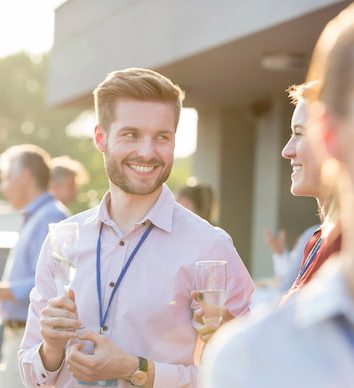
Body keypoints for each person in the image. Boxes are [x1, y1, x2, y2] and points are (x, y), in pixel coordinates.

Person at [18, 67, 254, 387]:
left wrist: (135, 369)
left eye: (162, 137)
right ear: (101, 138)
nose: (147, 152)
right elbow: (32, 376)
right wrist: (52, 349)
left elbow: (242, 374)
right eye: (131, 134)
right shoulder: (62, 240)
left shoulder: (210, 247)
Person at [200, 5, 354, 388]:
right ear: (330, 134)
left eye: (298, 134)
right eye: (296, 133)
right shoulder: (251, 359)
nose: (286, 150)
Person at [0, 144, 69, 388]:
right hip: (25, 335)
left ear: (26, 177)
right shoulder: (41, 215)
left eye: (6, 178)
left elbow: (46, 284)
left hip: (32, 337)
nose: (2, 187)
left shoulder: (49, 217)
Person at [279, 81, 342, 301]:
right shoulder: (318, 240)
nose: (286, 151)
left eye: (299, 134)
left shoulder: (343, 244)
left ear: (330, 141)